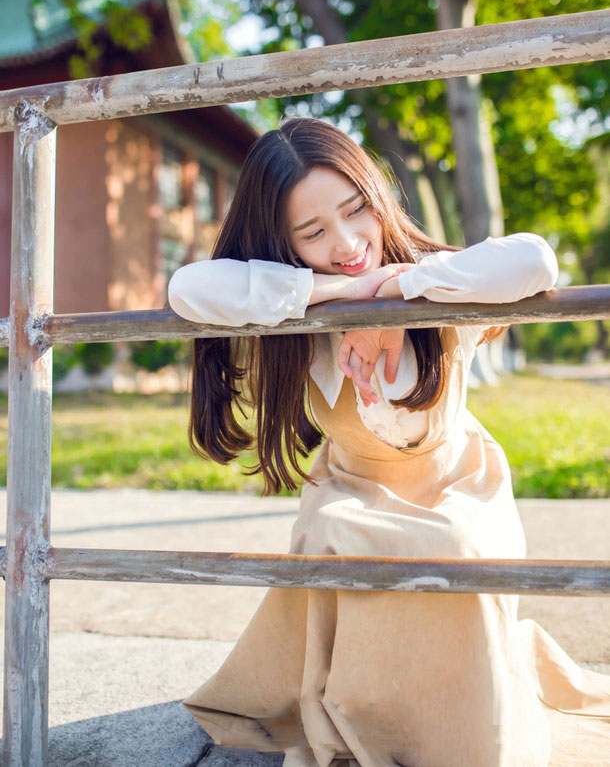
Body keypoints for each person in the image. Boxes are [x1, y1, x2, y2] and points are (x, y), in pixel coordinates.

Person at [168, 118, 610, 767]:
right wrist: (347, 293)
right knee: (339, 530)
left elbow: (536, 260)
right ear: (281, 243)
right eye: (313, 232)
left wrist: (399, 287)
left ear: (377, 196)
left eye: (356, 212)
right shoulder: (303, 314)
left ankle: (456, 729)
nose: (347, 242)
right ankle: (365, 716)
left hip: (455, 482)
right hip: (350, 482)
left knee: (453, 546)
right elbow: (189, 289)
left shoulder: (440, 284)